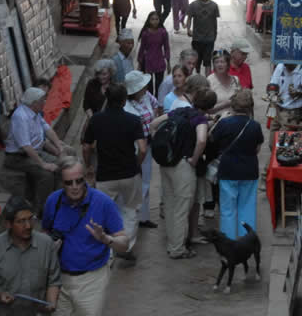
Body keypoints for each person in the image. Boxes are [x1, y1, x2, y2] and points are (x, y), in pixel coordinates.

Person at [42, 157, 128, 316]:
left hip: (92, 281)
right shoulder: (53, 201)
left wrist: (106, 239)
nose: (75, 187)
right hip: (58, 279)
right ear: (62, 183)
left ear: (85, 178)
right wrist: (49, 245)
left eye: (79, 181)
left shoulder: (103, 203)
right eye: (69, 183)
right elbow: (45, 232)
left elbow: (124, 244)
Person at [82, 84, 146, 262]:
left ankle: (107, 251)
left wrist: (88, 166)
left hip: (105, 175)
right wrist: (137, 164)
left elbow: (86, 147)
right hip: (129, 173)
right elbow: (142, 149)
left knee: (103, 212)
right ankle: (126, 246)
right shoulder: (133, 120)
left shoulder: (96, 120)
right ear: (124, 100)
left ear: (107, 99)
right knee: (131, 210)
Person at [150, 88, 217, 258]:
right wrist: (194, 159)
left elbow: (154, 124)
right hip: (183, 166)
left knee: (170, 205)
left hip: (166, 162)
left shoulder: (180, 111)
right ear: (210, 107)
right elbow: (201, 140)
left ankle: (173, 242)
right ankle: (178, 249)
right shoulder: (200, 119)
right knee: (182, 208)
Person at [0, 196, 61, 314]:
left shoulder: (46, 244)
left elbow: (53, 281)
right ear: (8, 224)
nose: (28, 226)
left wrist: (51, 303)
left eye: (30, 219)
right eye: (21, 221)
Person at [211, 90, 264, 240]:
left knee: (227, 209)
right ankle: (246, 240)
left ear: (232, 106)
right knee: (247, 207)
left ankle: (228, 241)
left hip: (228, 170)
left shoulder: (224, 124)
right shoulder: (255, 126)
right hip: (249, 170)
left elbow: (213, 140)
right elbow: (257, 149)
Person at [4, 88, 65, 215]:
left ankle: (57, 201)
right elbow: (25, 146)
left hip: (34, 152)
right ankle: (41, 210)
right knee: (46, 175)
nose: (45, 102)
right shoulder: (20, 117)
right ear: (34, 103)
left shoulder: (35, 113)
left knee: (62, 165)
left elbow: (48, 130)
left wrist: (59, 147)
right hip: (17, 157)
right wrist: (43, 164)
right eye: (42, 100)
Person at [124, 70, 159, 229]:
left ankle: (143, 217)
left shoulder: (146, 96)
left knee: (145, 180)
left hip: (147, 144)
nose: (145, 88)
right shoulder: (127, 107)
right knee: (135, 182)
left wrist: (152, 126)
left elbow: (156, 105)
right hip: (134, 147)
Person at [268, 63, 302, 149]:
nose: (286, 66)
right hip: (277, 109)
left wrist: (298, 93)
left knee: (281, 145)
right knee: (271, 143)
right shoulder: (280, 67)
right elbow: (272, 86)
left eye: (288, 64)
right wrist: (272, 104)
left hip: (291, 113)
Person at [186, 0, 220, 74]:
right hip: (197, 38)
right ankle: (197, 76)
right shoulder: (193, 5)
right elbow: (189, 18)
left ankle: (207, 79)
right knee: (196, 60)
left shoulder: (214, 6)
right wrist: (188, 29)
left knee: (208, 61)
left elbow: (215, 21)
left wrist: (215, 34)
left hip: (209, 38)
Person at [137, 11, 171, 97]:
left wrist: (168, 63)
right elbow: (142, 48)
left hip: (160, 62)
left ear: (159, 20)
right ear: (149, 20)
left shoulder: (163, 32)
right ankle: (151, 102)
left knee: (159, 86)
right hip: (148, 62)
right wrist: (139, 63)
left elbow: (166, 47)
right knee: (149, 87)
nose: (155, 21)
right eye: (152, 19)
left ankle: (157, 102)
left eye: (156, 19)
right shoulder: (145, 33)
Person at [207, 50, 242, 122]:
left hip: (235, 121)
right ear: (214, 65)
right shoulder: (209, 81)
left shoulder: (235, 80)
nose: (219, 65)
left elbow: (242, 103)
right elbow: (206, 110)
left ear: (228, 64)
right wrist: (226, 104)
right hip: (217, 122)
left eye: (222, 62)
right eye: (216, 62)